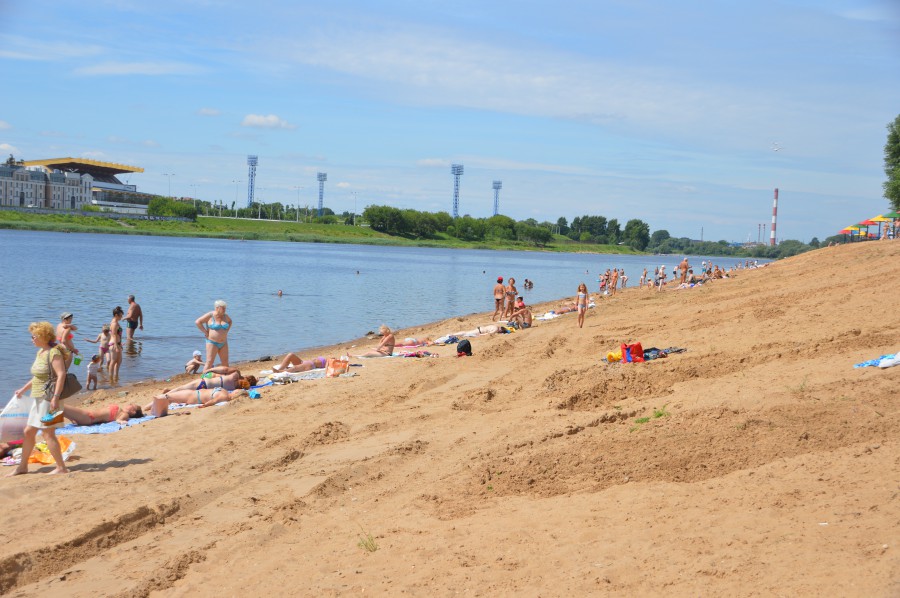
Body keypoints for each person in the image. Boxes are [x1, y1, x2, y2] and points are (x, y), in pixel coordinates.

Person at [7, 322, 70, 476]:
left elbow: (61, 374)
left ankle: (61, 468)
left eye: (34, 336)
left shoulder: (54, 353)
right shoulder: (41, 352)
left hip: (49, 399)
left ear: (42, 336)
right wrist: (22, 390)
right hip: (38, 399)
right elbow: (37, 377)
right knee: (29, 432)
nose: (32, 339)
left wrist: (55, 397)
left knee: (48, 434)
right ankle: (23, 467)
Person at [148, 388, 248, 417]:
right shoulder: (226, 393)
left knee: (168, 396)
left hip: (194, 396)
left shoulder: (224, 396)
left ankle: (150, 406)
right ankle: (152, 406)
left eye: (239, 389)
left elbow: (213, 401)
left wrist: (204, 406)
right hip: (195, 394)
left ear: (237, 392)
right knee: (171, 397)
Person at [196, 300, 232, 371]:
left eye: (225, 308)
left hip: (223, 343)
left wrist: (226, 330)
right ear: (217, 308)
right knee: (209, 362)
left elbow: (230, 321)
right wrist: (205, 332)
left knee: (225, 362)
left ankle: (226, 379)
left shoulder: (225, 316)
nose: (224, 310)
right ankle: (203, 380)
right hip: (212, 342)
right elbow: (198, 322)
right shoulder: (210, 315)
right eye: (223, 308)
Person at [163, 366, 257, 393]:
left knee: (182, 388)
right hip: (206, 390)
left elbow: (224, 369)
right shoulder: (238, 388)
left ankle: (168, 392)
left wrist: (211, 369)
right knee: (186, 391)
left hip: (205, 382)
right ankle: (170, 392)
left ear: (247, 376)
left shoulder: (236, 374)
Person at [62, 402, 143, 426]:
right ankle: (49, 424)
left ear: (133, 412)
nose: (129, 404)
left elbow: (119, 420)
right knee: (59, 409)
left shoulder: (125, 414)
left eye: (131, 405)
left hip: (89, 417)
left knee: (59, 405)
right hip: (87, 416)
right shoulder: (121, 411)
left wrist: (122, 422)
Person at [108, 306, 124, 380]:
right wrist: (116, 346)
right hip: (114, 344)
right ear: (116, 315)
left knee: (119, 361)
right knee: (113, 361)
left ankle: (116, 376)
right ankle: (111, 377)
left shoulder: (116, 322)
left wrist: (120, 344)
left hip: (118, 343)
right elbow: (114, 335)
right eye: (120, 315)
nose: (121, 317)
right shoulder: (114, 323)